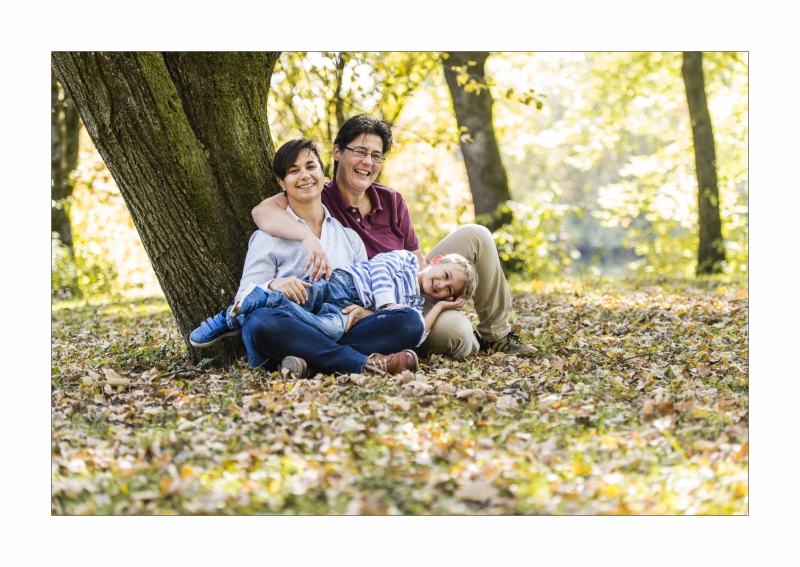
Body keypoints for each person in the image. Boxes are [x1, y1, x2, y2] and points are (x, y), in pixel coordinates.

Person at [251, 114, 537, 360]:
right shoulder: (317, 196)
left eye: (376, 156)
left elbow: (416, 259)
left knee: (477, 234)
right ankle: (462, 338)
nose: (367, 162)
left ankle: (496, 335)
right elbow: (262, 211)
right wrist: (307, 237)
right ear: (337, 152)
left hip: (412, 288)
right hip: (373, 307)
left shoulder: (390, 200)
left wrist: (440, 280)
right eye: (360, 152)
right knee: (459, 336)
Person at [192, 138, 423, 377]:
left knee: (410, 321)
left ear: (323, 175)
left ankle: (307, 363)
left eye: (311, 167)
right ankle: (359, 363)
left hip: (339, 326)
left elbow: (365, 289)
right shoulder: (267, 237)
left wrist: (367, 312)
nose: (304, 176)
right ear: (281, 183)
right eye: (294, 171)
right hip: (285, 330)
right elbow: (243, 300)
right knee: (259, 321)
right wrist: (273, 284)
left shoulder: (349, 237)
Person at [192, 249, 476, 348]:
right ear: (436, 261)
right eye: (446, 275)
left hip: (348, 312)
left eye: (450, 291)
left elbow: (416, 336)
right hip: (342, 284)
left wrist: (438, 307)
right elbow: (378, 270)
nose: (443, 286)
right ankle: (227, 318)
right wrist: (386, 308)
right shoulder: (406, 261)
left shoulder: (414, 306)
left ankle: (271, 301)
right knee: (304, 294)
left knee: (326, 330)